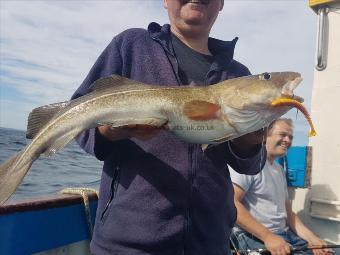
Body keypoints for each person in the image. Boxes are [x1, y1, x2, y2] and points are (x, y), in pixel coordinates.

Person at [72, 0, 266, 254]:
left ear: (221, 4)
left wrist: (251, 141)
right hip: (128, 245)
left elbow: (248, 165)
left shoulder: (239, 77)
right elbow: (79, 123)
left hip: (211, 243)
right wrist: (108, 131)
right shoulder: (131, 46)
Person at [230, 119, 331, 255]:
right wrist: (268, 236)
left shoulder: (278, 170)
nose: (287, 140)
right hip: (255, 237)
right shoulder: (248, 164)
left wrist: (313, 239)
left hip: (284, 235)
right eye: (282, 134)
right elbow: (231, 203)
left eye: (290, 137)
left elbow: (288, 214)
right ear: (265, 136)